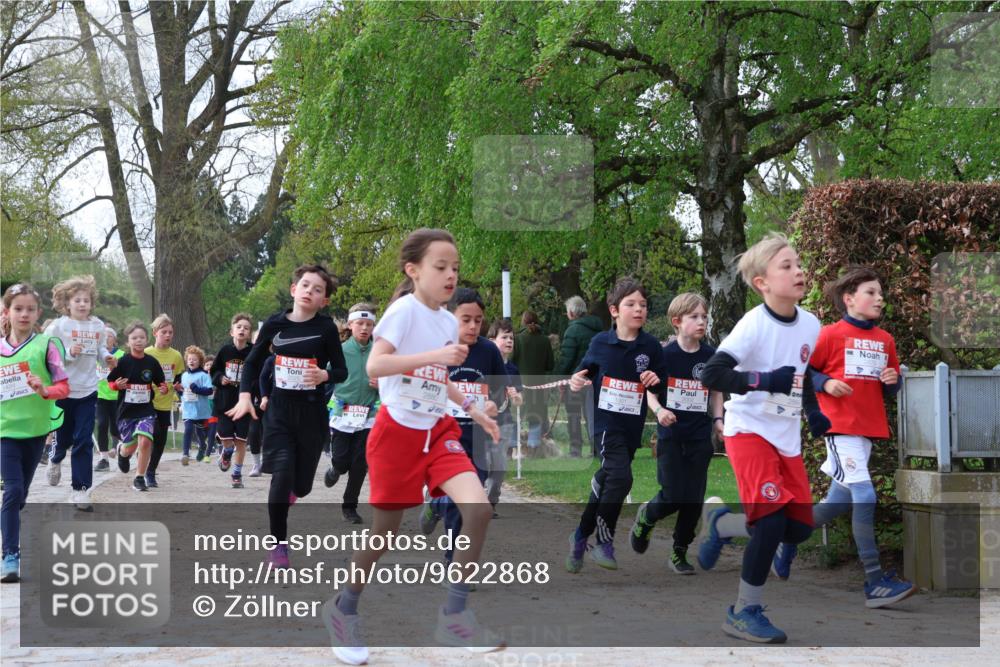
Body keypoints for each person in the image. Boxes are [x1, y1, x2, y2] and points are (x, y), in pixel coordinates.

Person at [322, 228, 503, 664]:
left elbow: (438, 380)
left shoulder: (446, 321)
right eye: (440, 267)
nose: (450, 275)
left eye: (455, 268)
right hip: (396, 434)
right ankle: (344, 609)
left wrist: (474, 410)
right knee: (383, 534)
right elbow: (376, 364)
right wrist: (434, 358)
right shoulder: (403, 312)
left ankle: (454, 616)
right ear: (413, 270)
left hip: (437, 430)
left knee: (478, 508)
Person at [697, 232, 831, 644]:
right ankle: (743, 610)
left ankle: (723, 524)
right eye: (786, 267)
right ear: (763, 283)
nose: (798, 272)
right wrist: (760, 380)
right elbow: (712, 374)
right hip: (749, 430)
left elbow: (801, 373)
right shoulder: (752, 325)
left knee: (799, 528)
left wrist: (813, 412)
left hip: (786, 435)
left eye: (799, 264)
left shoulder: (811, 323)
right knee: (771, 522)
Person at [771, 266, 916, 608]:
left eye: (880, 293)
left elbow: (891, 388)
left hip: (867, 431)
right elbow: (802, 372)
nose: (879, 298)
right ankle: (875, 581)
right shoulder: (830, 335)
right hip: (840, 428)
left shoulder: (886, 340)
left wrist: (892, 379)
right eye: (871, 292)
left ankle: (787, 539)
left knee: (836, 504)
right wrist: (825, 383)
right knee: (865, 495)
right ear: (849, 299)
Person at [227, 264, 347, 566]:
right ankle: (279, 544)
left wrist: (324, 375)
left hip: (312, 412)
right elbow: (252, 363)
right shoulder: (275, 324)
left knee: (302, 486)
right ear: (294, 289)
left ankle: (291, 495)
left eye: (318, 289)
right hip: (279, 411)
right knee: (280, 476)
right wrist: (245, 395)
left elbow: (341, 371)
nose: (310, 291)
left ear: (324, 301)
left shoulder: (326, 328)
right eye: (305, 285)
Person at [565, 278, 667, 573]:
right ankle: (603, 541)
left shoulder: (650, 347)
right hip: (603, 423)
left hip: (630, 426)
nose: (639, 310)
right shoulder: (599, 343)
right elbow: (582, 374)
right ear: (614, 311)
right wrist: (576, 380)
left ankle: (580, 535)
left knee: (608, 481)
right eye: (631, 304)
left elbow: (663, 384)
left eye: (643, 305)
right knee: (622, 479)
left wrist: (655, 382)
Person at [629, 293, 724, 574]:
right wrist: (659, 411)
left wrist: (719, 420)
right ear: (677, 321)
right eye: (694, 317)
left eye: (704, 317)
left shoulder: (711, 356)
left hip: (699, 435)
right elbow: (650, 393)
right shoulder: (664, 356)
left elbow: (716, 391)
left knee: (693, 498)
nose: (701, 322)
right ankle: (646, 516)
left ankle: (679, 552)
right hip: (671, 435)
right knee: (673, 495)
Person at [420, 288, 507, 561]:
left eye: (478, 320)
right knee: (460, 503)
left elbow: (501, 390)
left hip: (477, 437)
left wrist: (494, 404)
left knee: (472, 500)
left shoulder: (488, 351)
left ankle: (437, 503)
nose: (472, 326)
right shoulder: (435, 348)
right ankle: (452, 559)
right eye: (465, 319)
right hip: (444, 437)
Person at [1, 283, 69, 582]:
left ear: (38, 312)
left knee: (20, 496)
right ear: (7, 312)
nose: (24, 314)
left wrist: (44, 390)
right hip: (5, 431)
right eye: (18, 308)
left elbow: (64, 388)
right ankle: (10, 555)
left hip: (36, 431)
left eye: (30, 309)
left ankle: (9, 520)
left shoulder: (46, 346)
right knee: (13, 491)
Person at [44, 275, 117, 510]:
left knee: (83, 440)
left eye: (86, 300)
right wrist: (68, 352)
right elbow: (46, 351)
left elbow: (100, 349)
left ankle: (81, 490)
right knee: (64, 438)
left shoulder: (97, 326)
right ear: (67, 303)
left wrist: (106, 358)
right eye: (77, 300)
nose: (82, 304)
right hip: (64, 390)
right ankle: (55, 459)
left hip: (88, 390)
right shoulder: (59, 326)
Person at [323, 304, 380, 524]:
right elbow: (327, 375)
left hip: (368, 415)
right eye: (360, 324)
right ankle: (335, 469)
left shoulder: (379, 351)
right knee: (342, 461)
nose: (364, 328)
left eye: (369, 324)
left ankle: (350, 506)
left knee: (359, 464)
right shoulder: (340, 349)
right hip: (342, 413)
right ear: (350, 325)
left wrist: (382, 383)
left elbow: (392, 378)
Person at [107, 322, 168, 492]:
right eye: (134, 338)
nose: (138, 341)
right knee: (130, 448)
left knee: (146, 440)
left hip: (146, 410)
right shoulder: (123, 362)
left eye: (141, 337)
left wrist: (163, 388)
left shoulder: (152, 362)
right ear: (128, 342)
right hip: (126, 411)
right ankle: (122, 451)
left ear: (147, 339)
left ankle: (139, 477)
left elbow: (161, 383)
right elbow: (111, 382)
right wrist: (116, 386)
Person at [556, 296, 602, 457]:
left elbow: (566, 359)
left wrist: (558, 378)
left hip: (575, 379)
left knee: (573, 415)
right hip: (595, 379)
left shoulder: (572, 331)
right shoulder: (599, 329)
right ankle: (596, 449)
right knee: (592, 415)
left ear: (571, 313)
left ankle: (575, 450)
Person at [211, 313, 253, 487]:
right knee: (227, 440)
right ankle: (226, 452)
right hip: (225, 402)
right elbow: (214, 371)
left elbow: (260, 374)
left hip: (244, 403)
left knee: (241, 441)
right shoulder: (225, 350)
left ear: (250, 333)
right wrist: (220, 378)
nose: (242, 330)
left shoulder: (253, 352)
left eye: (246, 328)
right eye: (239, 327)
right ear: (232, 332)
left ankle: (237, 474)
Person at [486, 318, 523, 511]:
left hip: (504, 422)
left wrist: (515, 396)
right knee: (482, 463)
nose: (509, 341)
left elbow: (519, 401)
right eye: (504, 337)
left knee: (498, 466)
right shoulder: (482, 364)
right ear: (492, 340)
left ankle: (490, 502)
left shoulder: (513, 369)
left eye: (512, 338)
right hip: (480, 423)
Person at [143, 314, 184, 488]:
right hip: (146, 402)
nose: (167, 335)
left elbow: (179, 378)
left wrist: (179, 386)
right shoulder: (146, 353)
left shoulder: (176, 356)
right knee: (146, 438)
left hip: (165, 404)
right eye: (164, 332)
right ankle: (142, 469)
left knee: (160, 440)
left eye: (170, 333)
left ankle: (151, 472)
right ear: (155, 333)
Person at [511, 310, 553, 452]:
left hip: (520, 385)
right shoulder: (545, 340)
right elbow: (550, 365)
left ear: (523, 322)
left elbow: (511, 361)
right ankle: (534, 447)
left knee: (516, 416)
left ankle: (512, 446)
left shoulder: (517, 339)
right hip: (539, 385)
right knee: (536, 416)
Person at [94, 327, 125, 472]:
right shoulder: (96, 355)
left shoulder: (121, 355)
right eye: (103, 336)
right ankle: (103, 458)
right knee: (101, 425)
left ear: (114, 339)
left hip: (117, 397)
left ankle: (123, 447)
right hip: (101, 396)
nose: (106, 339)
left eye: (109, 336)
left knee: (115, 427)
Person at [179, 346, 214, 467]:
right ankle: (185, 453)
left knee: (200, 432)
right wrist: (179, 391)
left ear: (200, 361)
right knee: (188, 429)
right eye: (189, 359)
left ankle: (202, 446)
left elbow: (209, 391)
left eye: (194, 359)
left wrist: (197, 389)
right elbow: (183, 391)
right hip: (188, 409)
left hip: (201, 410)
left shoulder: (204, 375)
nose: (191, 361)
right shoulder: (184, 376)